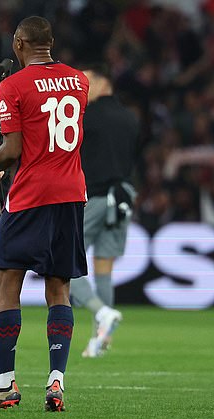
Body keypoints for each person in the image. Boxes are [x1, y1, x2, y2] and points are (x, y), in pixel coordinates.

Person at [0, 16, 89, 413]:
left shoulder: (14, 84)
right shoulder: (79, 80)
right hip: (71, 193)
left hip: (30, 195)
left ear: (19, 43)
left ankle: (4, 385)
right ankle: (56, 382)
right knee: (59, 288)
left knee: (7, 284)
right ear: (50, 43)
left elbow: (15, 147)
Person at [69, 64, 139, 358]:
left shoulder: (89, 116)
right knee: (104, 266)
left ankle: (101, 313)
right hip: (123, 197)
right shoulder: (130, 118)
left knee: (64, 260)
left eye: (85, 84)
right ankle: (103, 340)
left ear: (101, 83)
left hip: (95, 196)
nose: (80, 91)